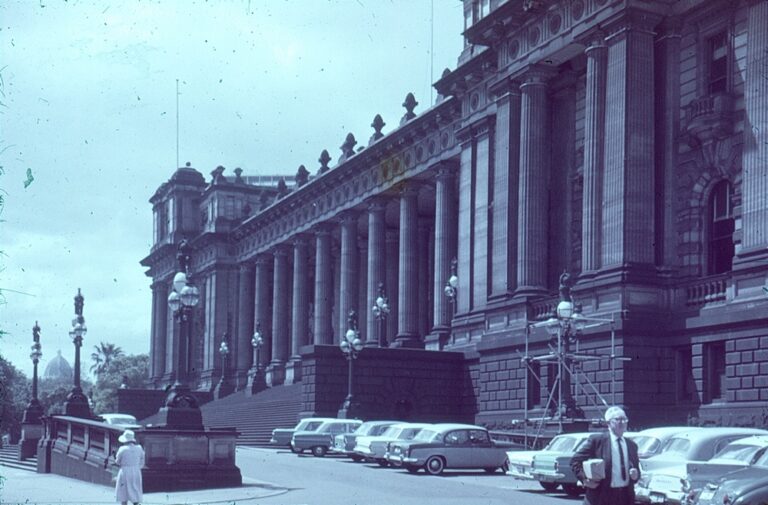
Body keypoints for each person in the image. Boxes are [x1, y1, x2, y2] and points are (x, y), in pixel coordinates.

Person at [571, 406, 640, 505]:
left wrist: (636, 475)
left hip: (625, 496)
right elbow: (574, 461)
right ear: (608, 423)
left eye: (624, 419)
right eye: (618, 419)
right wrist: (585, 480)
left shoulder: (632, 445)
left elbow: (637, 471)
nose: (623, 422)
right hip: (602, 496)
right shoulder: (597, 441)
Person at [115, 429, 145, 505]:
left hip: (125, 471)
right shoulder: (139, 448)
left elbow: (117, 461)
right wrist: (138, 467)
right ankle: (136, 503)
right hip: (136, 471)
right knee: (135, 488)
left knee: (123, 491)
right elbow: (142, 460)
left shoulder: (122, 449)